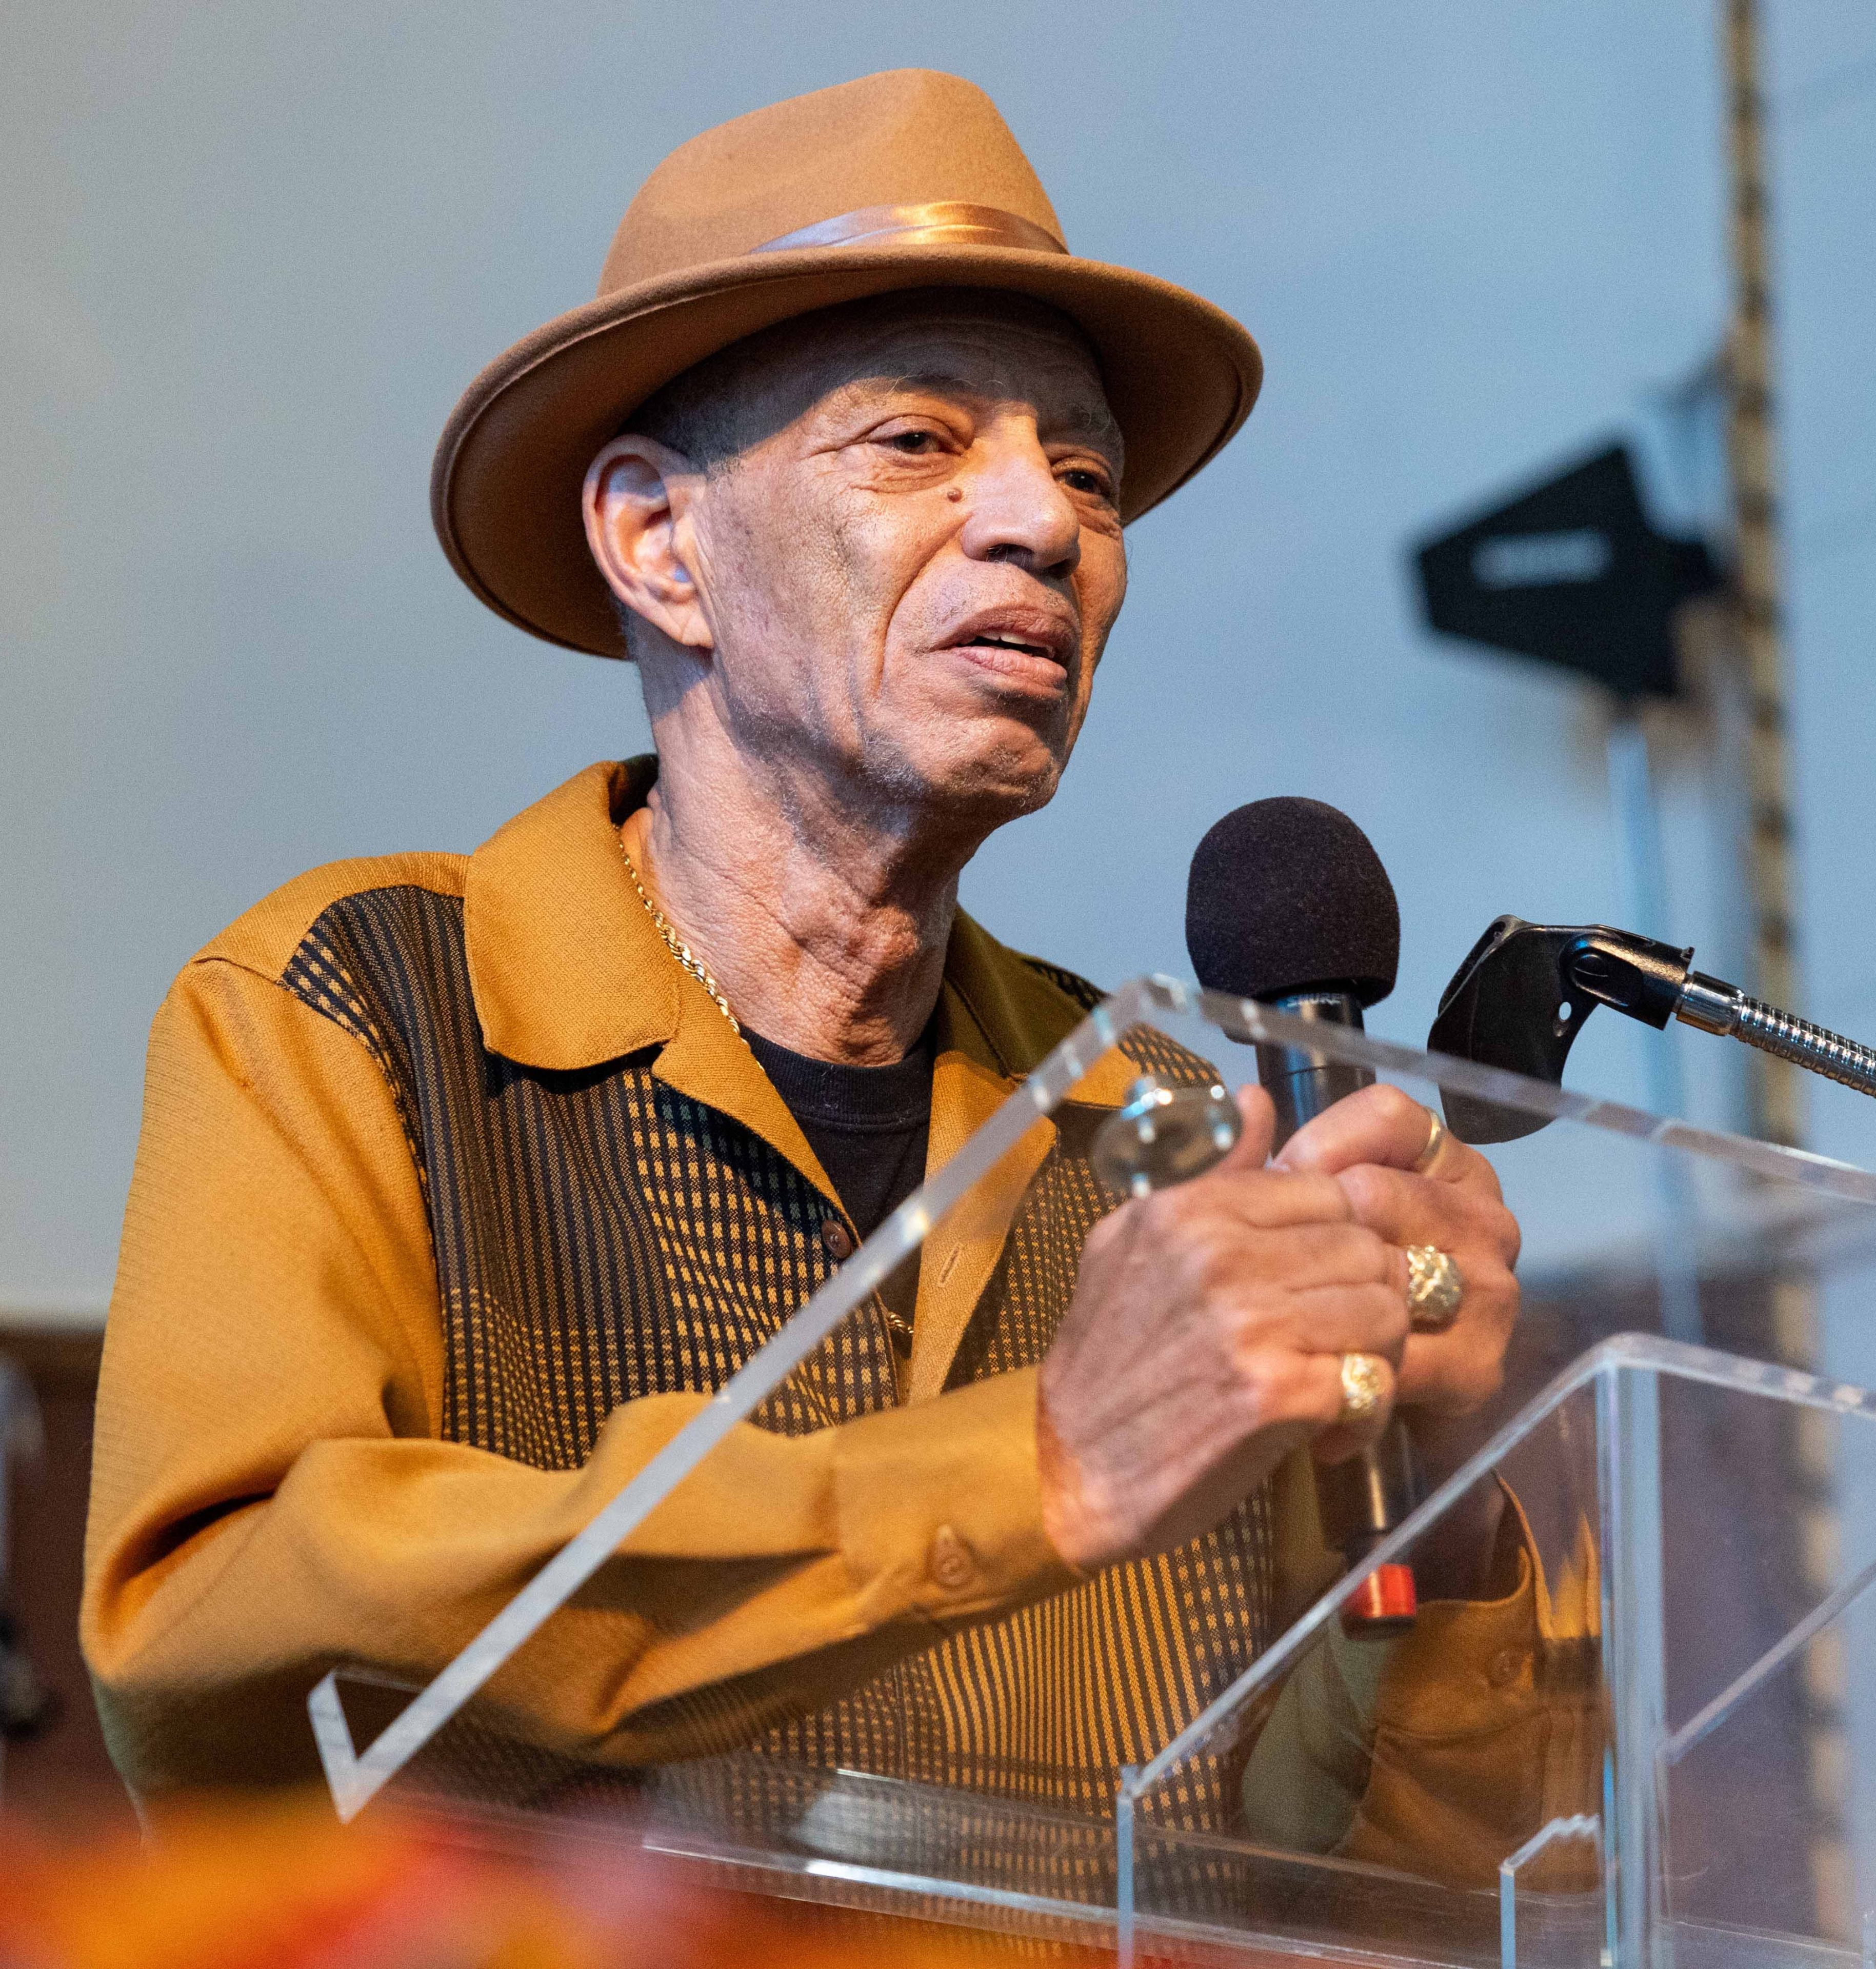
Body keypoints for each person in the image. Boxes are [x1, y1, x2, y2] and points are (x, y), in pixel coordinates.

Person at [84, 71, 1569, 1859]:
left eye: (1085, 470)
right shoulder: (360, 1010)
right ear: (659, 541)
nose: (1046, 523)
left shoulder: (1163, 1128)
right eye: (918, 442)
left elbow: (1404, 1883)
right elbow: (236, 1671)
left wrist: (1456, 1507)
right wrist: (1040, 1470)